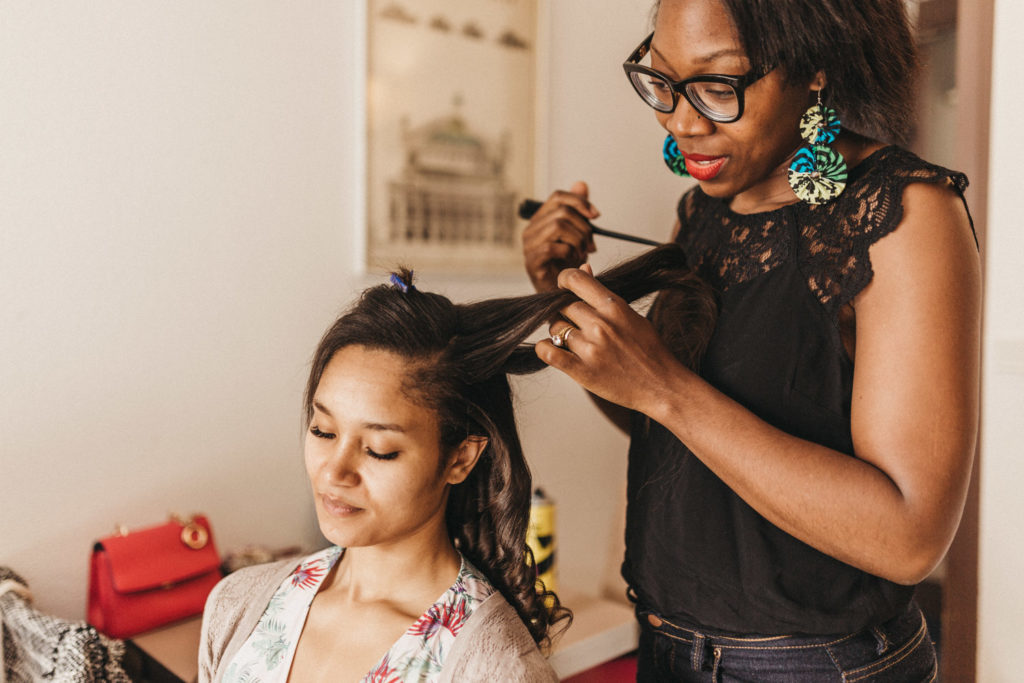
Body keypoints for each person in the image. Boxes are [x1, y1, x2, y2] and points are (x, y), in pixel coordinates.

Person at [521, 0, 980, 680]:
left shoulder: (907, 218)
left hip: (817, 666)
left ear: (814, 69)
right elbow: (674, 433)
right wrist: (564, 304)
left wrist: (664, 385)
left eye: (717, 84)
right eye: (663, 80)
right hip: (670, 647)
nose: (681, 119)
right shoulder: (703, 214)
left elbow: (909, 536)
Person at [198, 256, 709, 683]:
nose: (335, 471)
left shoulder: (492, 667)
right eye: (323, 432)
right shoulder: (239, 604)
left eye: (378, 449)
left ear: (460, 457)